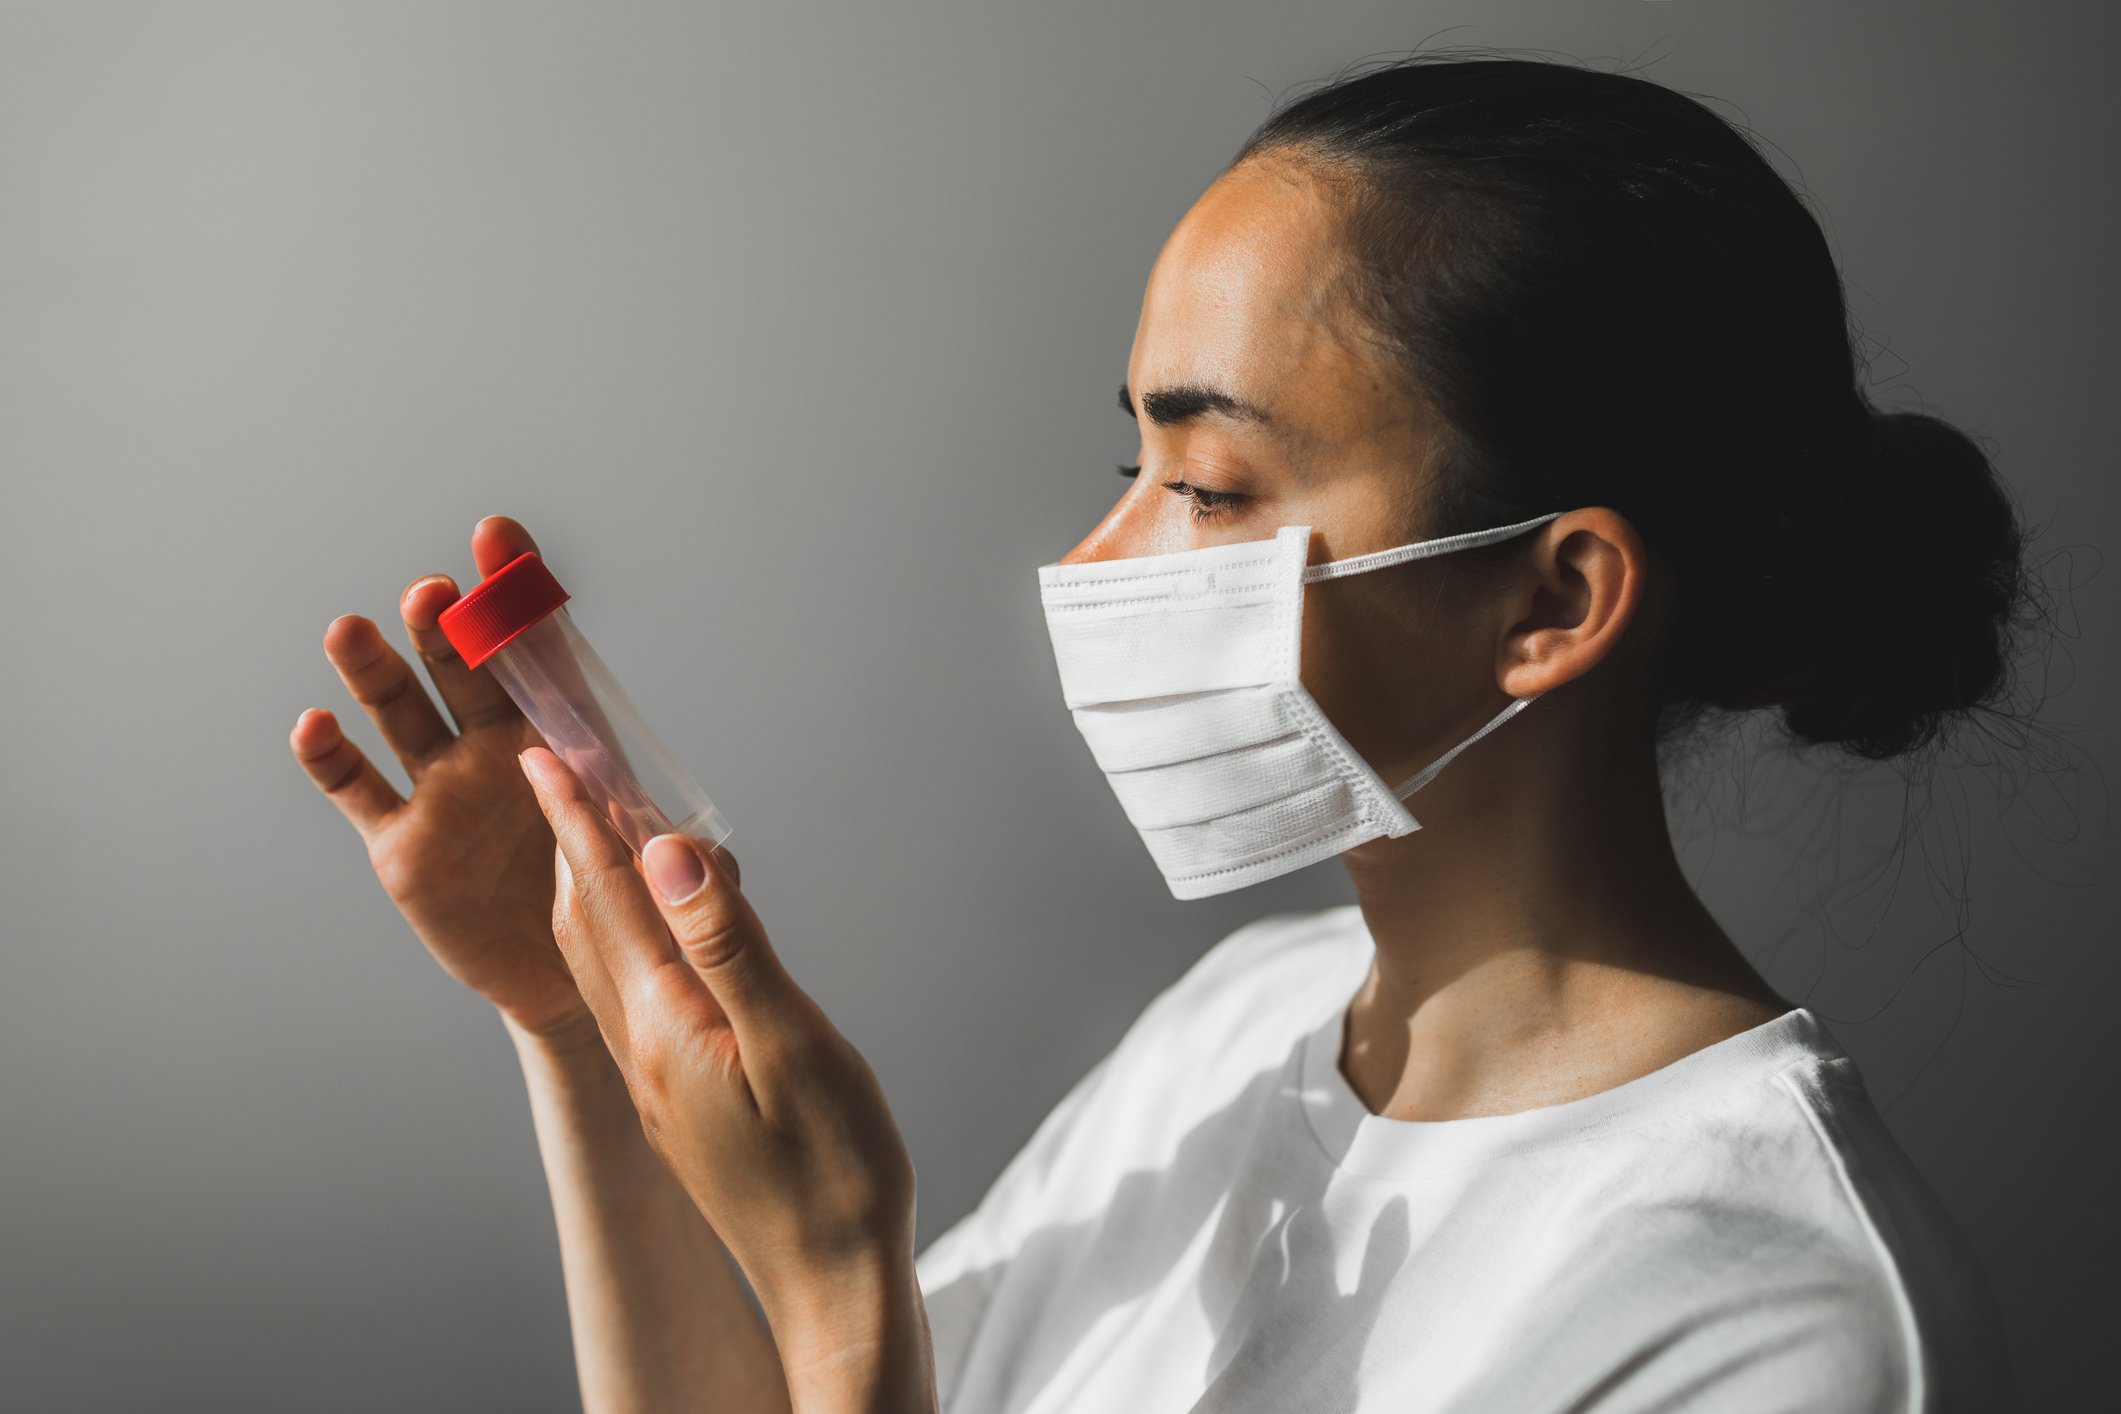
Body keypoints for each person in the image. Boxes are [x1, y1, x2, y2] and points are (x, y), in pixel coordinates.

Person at [289, 52, 2028, 1414]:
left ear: (1551, 604)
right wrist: (580, 1021)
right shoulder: (1238, 1025)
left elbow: (848, 1370)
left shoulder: (1775, 1324)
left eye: (1206, 485)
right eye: (1132, 463)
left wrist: (835, 1278)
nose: (1092, 559)